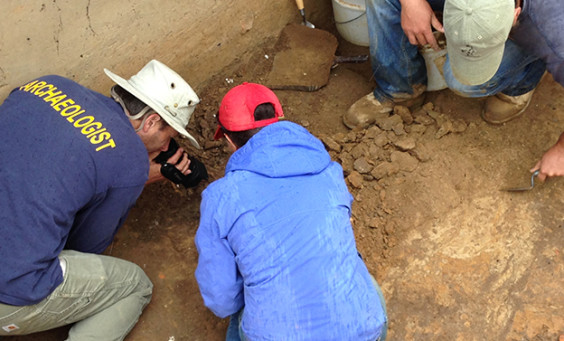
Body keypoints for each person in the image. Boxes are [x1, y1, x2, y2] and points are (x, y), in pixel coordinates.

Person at [0, 59, 202, 340]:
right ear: (151, 121)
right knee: (134, 287)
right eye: (169, 135)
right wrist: (134, 174)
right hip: (9, 289)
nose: (167, 146)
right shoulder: (131, 164)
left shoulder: (47, 83)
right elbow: (82, 247)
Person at [194, 82, 388, 340]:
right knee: (360, 277)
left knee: (243, 311)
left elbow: (222, 300)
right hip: (365, 331)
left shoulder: (221, 196)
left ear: (229, 139)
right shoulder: (329, 172)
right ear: (279, 122)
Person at [343, 0, 546, 130]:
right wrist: (411, 3)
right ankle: (400, 90)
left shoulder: (553, 19)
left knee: (463, 81)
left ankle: (521, 83)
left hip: (534, 19)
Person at [441, 0, 564, 181]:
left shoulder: (556, 40)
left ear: (514, 15)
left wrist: (562, 149)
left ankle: (525, 81)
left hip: (548, 25)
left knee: (461, 81)